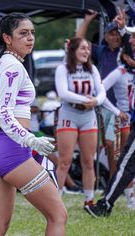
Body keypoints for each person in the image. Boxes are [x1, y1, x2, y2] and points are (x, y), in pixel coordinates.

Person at [0, 13, 67, 235]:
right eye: (23, 33)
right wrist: (30, 139)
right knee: (58, 216)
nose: (30, 38)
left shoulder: (0, 64)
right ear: (7, 38)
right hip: (11, 150)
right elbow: (2, 113)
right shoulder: (13, 66)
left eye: (32, 33)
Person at [84, 22, 135, 218]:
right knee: (122, 161)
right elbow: (102, 92)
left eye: (132, 37)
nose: (130, 42)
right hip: (123, 118)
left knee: (125, 163)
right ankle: (117, 200)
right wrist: (116, 111)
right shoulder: (121, 71)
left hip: (129, 119)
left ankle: (107, 203)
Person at [55, 37, 106, 209]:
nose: (87, 52)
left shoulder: (92, 69)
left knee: (88, 161)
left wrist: (96, 101)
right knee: (64, 161)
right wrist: (87, 99)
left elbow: (101, 92)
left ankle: (89, 200)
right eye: (83, 48)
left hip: (88, 116)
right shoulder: (62, 69)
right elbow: (63, 92)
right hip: (69, 113)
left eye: (88, 48)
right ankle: (55, 201)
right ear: (73, 50)